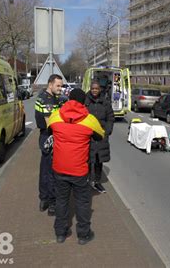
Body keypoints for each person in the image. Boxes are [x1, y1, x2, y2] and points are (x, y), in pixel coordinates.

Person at [48, 88, 105, 245]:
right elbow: (101, 135)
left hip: (59, 167)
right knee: (82, 202)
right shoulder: (89, 119)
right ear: (83, 102)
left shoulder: (56, 116)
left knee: (61, 200)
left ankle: (60, 233)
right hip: (79, 169)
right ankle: (83, 235)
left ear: (68, 99)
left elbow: (48, 128)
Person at [34, 74, 63, 216]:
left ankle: (44, 199)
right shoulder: (47, 101)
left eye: (61, 86)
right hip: (49, 136)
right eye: (58, 85)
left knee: (44, 168)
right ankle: (51, 202)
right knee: (51, 170)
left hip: (45, 136)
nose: (60, 88)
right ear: (50, 84)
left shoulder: (48, 97)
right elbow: (49, 123)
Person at [85, 80, 115, 194]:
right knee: (87, 159)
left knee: (98, 160)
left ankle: (97, 182)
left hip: (101, 136)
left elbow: (110, 118)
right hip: (88, 135)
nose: (94, 91)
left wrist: (107, 131)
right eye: (93, 88)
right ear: (90, 88)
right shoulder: (85, 101)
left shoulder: (106, 102)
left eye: (96, 89)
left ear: (100, 89)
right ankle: (87, 180)